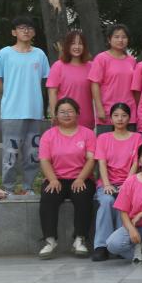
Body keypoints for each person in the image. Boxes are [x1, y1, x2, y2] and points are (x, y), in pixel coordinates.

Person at [0, 16, 49, 197]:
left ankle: (28, 187)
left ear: (33, 32)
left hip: (34, 112)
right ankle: (8, 188)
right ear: (14, 32)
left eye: (29, 28)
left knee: (32, 153)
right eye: (21, 28)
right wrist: (11, 93)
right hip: (11, 112)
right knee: (10, 153)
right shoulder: (4, 53)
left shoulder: (40, 54)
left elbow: (46, 80)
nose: (26, 31)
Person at [37, 98, 96, 259]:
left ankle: (80, 239)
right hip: (57, 178)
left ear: (77, 114)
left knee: (83, 196)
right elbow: (44, 160)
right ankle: (50, 240)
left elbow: (91, 160)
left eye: (70, 111)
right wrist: (52, 179)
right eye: (62, 112)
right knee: (49, 196)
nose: (66, 115)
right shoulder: (49, 135)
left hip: (81, 178)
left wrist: (81, 178)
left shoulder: (88, 134)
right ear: (56, 115)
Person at [91, 102, 142, 262]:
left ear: (129, 118)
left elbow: (136, 163)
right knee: (107, 201)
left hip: (130, 183)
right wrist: (107, 184)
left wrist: (127, 184)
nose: (120, 119)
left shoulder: (137, 138)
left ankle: (121, 245)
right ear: (111, 118)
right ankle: (101, 246)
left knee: (124, 203)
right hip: (107, 183)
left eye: (124, 115)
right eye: (116, 115)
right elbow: (101, 163)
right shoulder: (103, 138)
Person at [88, 24, 135, 135]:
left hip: (129, 112)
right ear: (109, 39)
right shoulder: (101, 58)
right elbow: (94, 84)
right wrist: (99, 108)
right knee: (106, 144)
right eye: (116, 37)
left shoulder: (132, 60)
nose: (120, 40)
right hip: (108, 111)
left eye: (124, 37)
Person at [47, 30, 94, 129]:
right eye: (73, 43)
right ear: (67, 45)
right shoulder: (58, 66)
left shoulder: (91, 66)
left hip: (86, 118)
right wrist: (54, 114)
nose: (77, 47)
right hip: (64, 119)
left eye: (80, 43)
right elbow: (52, 92)